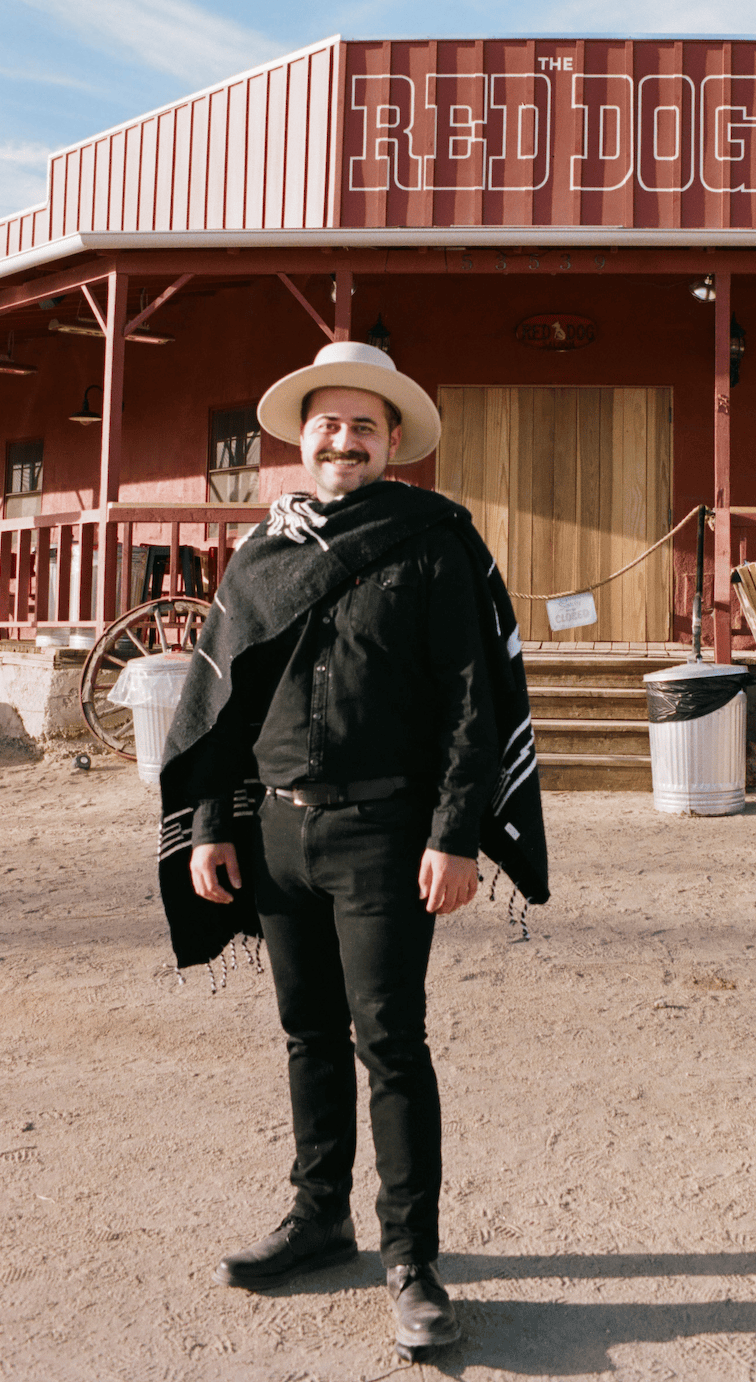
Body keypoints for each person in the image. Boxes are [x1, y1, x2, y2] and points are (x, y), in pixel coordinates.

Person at [155, 339, 547, 1360]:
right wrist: (208, 826)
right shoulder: (261, 554)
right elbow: (223, 705)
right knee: (306, 1035)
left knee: (391, 1043)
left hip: (385, 834)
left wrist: (454, 835)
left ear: (392, 442)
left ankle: (411, 1259)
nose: (344, 438)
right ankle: (318, 1217)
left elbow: (471, 700)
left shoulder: (432, 541)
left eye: (364, 425)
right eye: (329, 422)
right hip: (276, 834)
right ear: (303, 435)